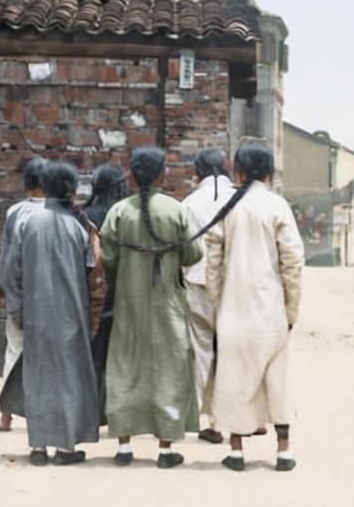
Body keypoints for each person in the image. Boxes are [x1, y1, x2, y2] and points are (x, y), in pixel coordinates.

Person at [205, 143, 305, 472]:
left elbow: (213, 264)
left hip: (233, 310)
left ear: (238, 172)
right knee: (277, 380)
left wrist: (219, 305)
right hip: (270, 310)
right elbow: (293, 262)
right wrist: (291, 309)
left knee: (233, 378)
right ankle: (284, 451)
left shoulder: (227, 208)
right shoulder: (278, 206)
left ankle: (236, 452)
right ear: (269, 173)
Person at [100, 146, 201, 468]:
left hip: (128, 303)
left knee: (125, 367)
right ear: (162, 174)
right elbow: (193, 254)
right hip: (167, 303)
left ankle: (125, 447)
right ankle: (165, 448)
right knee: (169, 369)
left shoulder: (118, 212)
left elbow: (110, 259)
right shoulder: (176, 210)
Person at [2, 160, 100, 466]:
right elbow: (90, 267)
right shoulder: (76, 227)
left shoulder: (28, 222)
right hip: (71, 313)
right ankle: (66, 448)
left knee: (38, 377)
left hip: (35, 312)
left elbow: (11, 269)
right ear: (71, 191)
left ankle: (38, 447)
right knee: (69, 378)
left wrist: (16, 306)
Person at [181, 149, 235, 444]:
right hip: (233, 285)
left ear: (197, 172)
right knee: (232, 351)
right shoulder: (239, 199)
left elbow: (184, 248)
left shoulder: (189, 203)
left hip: (198, 281)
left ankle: (204, 420)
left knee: (202, 351)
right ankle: (234, 419)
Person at [0, 156, 47, 432]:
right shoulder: (59, 214)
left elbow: (7, 258)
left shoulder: (15, 212)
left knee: (14, 351)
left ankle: (6, 415)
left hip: (19, 294)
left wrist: (6, 291)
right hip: (48, 298)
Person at [83, 164, 128, 395]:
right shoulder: (125, 214)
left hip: (95, 293)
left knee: (94, 354)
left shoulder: (86, 216)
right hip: (124, 292)